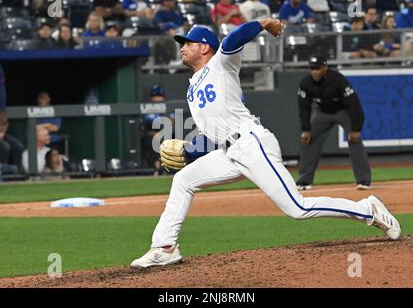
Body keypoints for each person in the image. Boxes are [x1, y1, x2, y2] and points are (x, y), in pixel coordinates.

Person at [130, 21, 401, 268]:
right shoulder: (192, 86)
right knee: (183, 180)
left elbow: (234, 38)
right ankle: (164, 247)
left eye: (187, 42)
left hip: (251, 143)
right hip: (229, 151)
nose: (182, 47)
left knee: (298, 208)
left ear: (204, 47)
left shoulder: (221, 64)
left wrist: (262, 23)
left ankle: (368, 209)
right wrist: (191, 152)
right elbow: (215, 135)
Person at [296, 55, 372, 190]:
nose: (314, 72)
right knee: (309, 140)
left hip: (343, 111)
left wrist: (356, 128)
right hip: (322, 112)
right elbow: (304, 107)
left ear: (325, 67)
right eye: (312, 69)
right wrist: (305, 129)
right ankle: (304, 180)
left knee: (355, 141)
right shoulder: (306, 83)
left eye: (317, 68)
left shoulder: (338, 79)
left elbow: (354, 103)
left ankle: (364, 180)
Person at [139, 85, 174, 176]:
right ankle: (157, 167)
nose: (156, 98)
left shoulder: (168, 107)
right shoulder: (147, 109)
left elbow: (171, 122)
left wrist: (160, 133)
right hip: (150, 136)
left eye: (159, 96)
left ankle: (161, 168)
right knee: (149, 142)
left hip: (166, 135)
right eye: (154, 96)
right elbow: (142, 127)